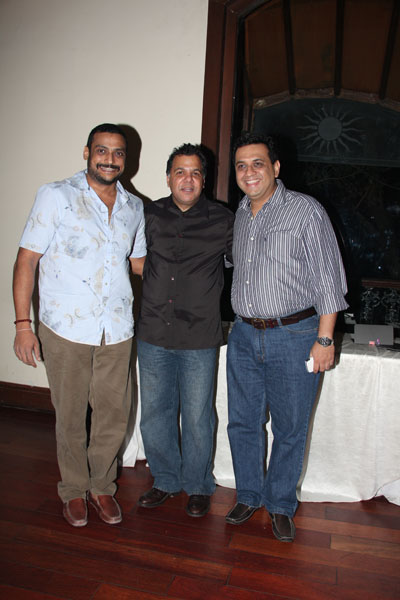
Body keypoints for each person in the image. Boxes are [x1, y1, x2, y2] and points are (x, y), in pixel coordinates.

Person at [13, 123, 146, 527]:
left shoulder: (134, 207)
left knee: (113, 414)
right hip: (64, 327)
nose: (110, 159)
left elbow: (139, 264)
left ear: (126, 159)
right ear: (87, 152)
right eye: (102, 150)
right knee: (70, 414)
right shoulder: (56, 195)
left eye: (118, 152)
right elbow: (27, 260)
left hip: (117, 328)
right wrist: (23, 325)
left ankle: (102, 486)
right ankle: (73, 489)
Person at [226, 132, 348, 542]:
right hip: (243, 335)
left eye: (258, 163)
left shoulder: (305, 211)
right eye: (242, 165)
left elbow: (329, 280)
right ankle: (248, 495)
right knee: (243, 422)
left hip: (295, 335)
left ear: (276, 168)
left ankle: (279, 504)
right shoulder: (240, 213)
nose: (249, 172)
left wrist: (325, 340)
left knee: (290, 427)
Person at [136, 143, 234, 517]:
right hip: (153, 332)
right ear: (168, 178)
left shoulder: (223, 220)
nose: (187, 179)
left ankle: (197, 485)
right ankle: (165, 480)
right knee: (155, 413)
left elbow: (248, 262)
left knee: (197, 416)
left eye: (195, 173)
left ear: (204, 180)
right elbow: (133, 258)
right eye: (180, 172)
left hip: (199, 337)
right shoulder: (149, 215)